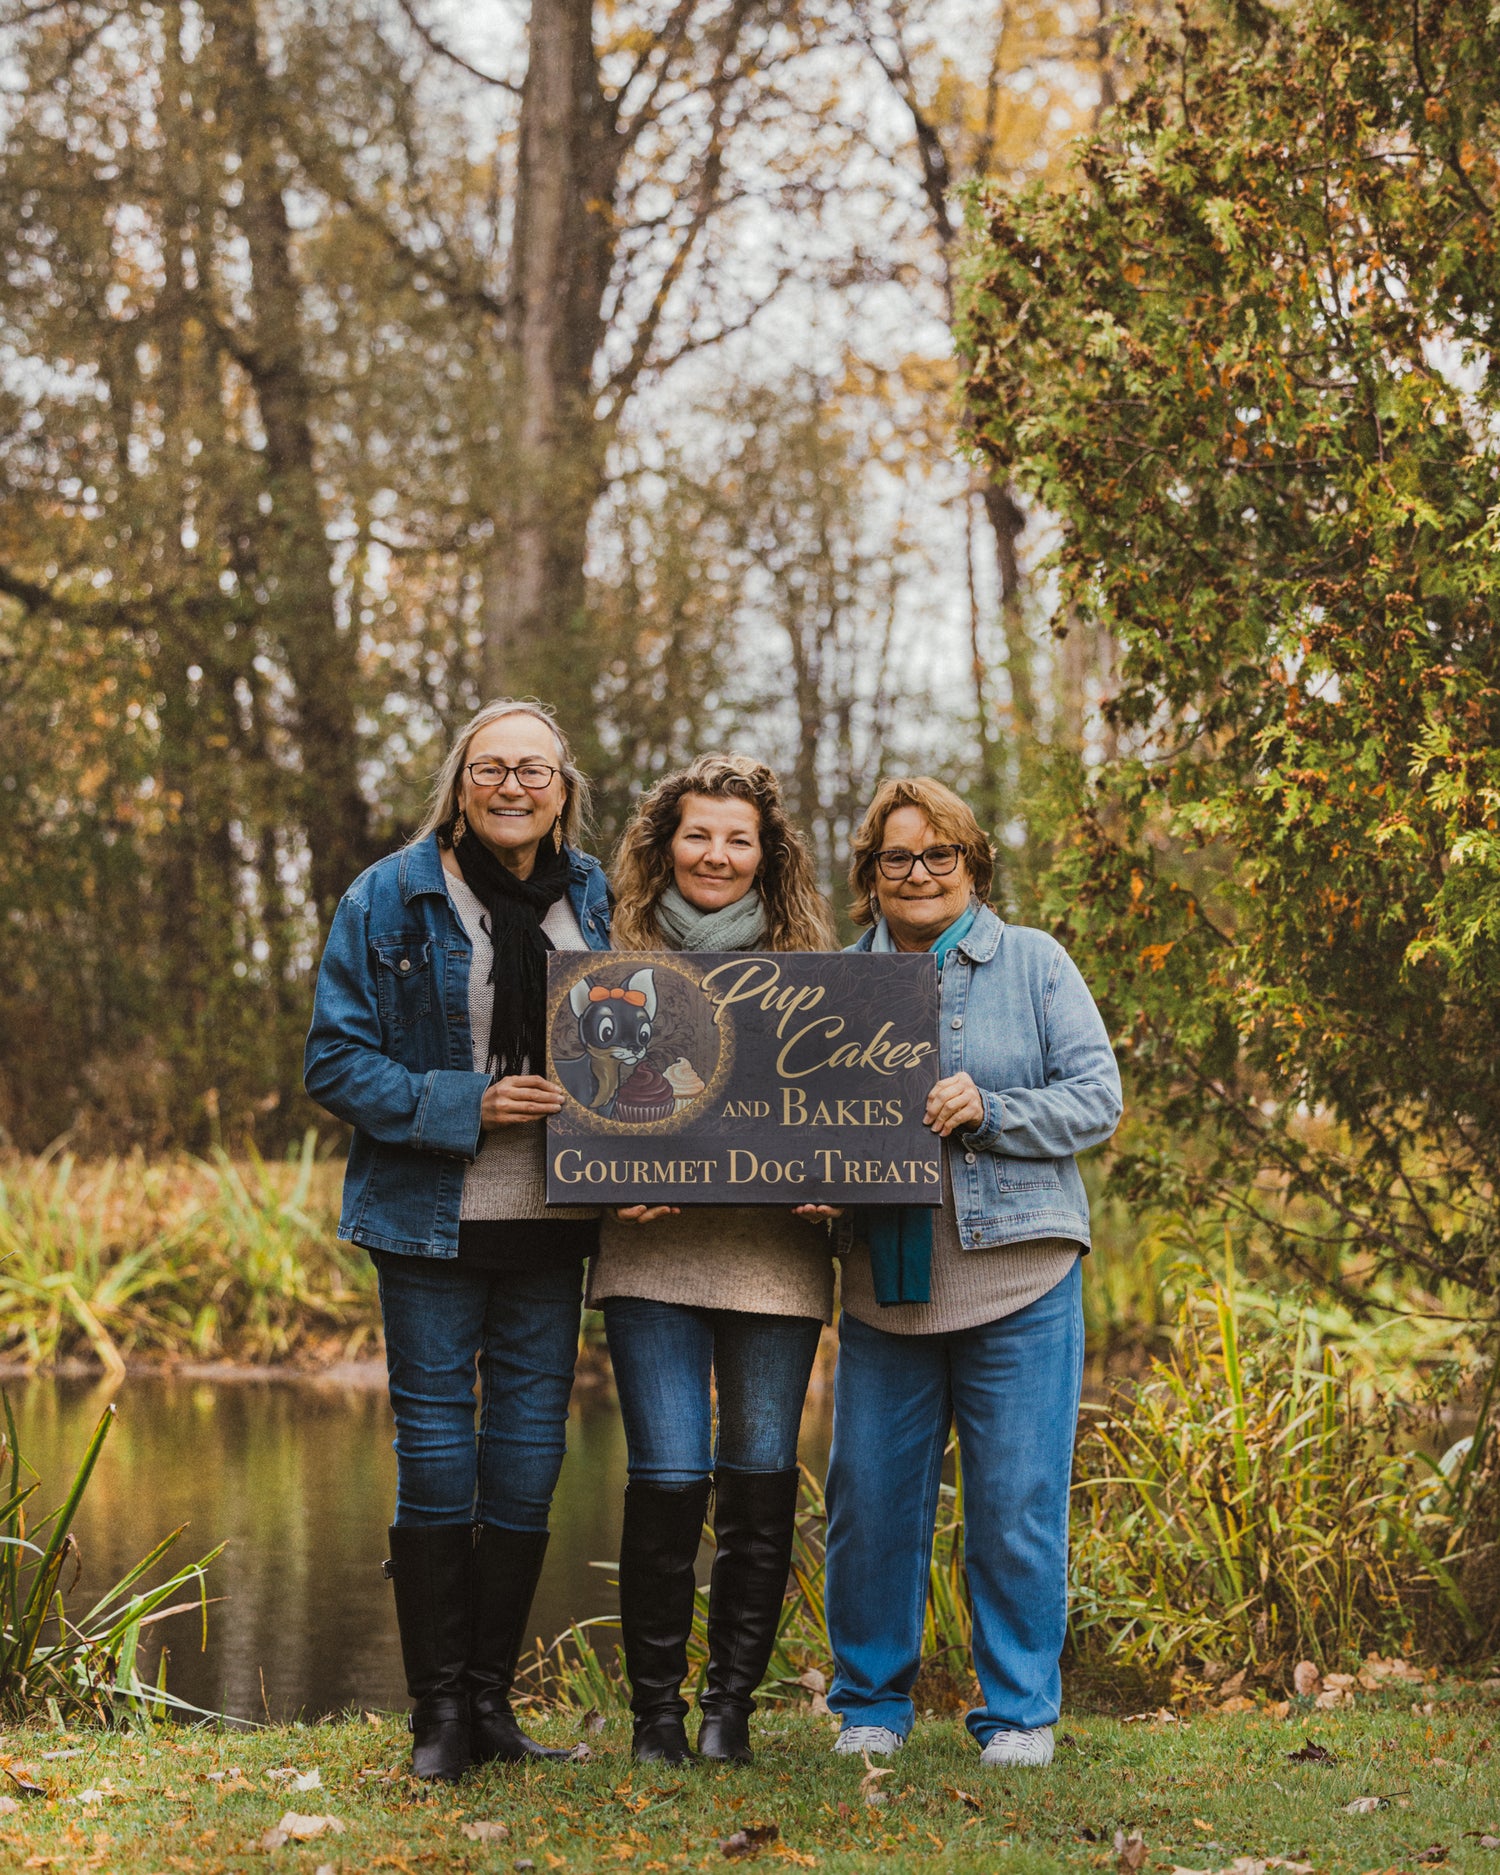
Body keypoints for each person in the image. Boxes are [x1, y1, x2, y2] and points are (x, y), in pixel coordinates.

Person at [303, 700, 611, 1782]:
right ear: (460, 782)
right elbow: (334, 1060)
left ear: (562, 789)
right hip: (429, 1217)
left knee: (528, 1463)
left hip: (555, 1222)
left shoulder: (594, 897)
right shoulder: (388, 895)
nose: (512, 786)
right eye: (491, 768)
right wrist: (465, 1102)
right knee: (436, 1457)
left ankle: (490, 1704)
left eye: (533, 769)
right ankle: (437, 1716)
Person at [822, 777, 1121, 1769]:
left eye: (939, 854)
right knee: (869, 1503)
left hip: (1021, 1277)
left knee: (1016, 1503)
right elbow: (806, 1123)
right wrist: (815, 1184)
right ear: (871, 875)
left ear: (973, 864)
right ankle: (870, 1705)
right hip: (884, 1286)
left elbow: (1097, 1098)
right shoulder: (831, 984)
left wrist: (992, 1110)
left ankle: (1020, 1713)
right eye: (897, 858)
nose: (919, 873)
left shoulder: (1034, 962)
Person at [591, 754, 838, 1765]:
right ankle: (656, 1715)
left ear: (766, 855)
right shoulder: (608, 960)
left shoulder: (820, 975)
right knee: (667, 1478)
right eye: (699, 834)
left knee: (760, 1484)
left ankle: (728, 1710)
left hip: (776, 1263)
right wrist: (604, 1181)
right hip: (650, 1259)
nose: (717, 855)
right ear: (665, 845)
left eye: (739, 839)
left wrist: (845, 1184)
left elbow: (853, 1121)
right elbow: (582, 1107)